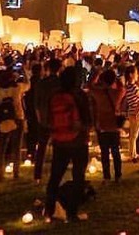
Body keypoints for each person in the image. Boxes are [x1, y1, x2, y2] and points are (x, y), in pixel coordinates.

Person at [45, 66, 91, 223]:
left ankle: (49, 210)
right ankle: (71, 213)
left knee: (55, 177)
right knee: (78, 177)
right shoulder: (80, 96)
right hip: (78, 141)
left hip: (59, 141)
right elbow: (87, 118)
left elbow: (48, 119)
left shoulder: (54, 96)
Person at [88, 68, 125, 181]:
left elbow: (90, 85)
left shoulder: (99, 94)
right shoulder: (117, 93)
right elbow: (122, 87)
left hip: (102, 126)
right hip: (114, 126)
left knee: (104, 153)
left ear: (103, 80)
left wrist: (98, 73)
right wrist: (116, 78)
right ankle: (118, 175)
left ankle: (106, 176)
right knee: (115, 152)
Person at [0, 67, 27, 180]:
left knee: (1, 147)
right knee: (16, 147)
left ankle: (1, 173)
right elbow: (28, 84)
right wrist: (25, 72)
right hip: (17, 118)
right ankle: (16, 172)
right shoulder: (17, 88)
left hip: (3, 119)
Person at [32, 57, 62, 183]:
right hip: (58, 119)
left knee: (41, 148)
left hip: (44, 119)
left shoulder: (41, 83)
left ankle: (37, 176)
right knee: (58, 149)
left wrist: (40, 118)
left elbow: (37, 104)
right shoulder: (60, 83)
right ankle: (55, 176)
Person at [121, 65, 139, 163]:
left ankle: (133, 154)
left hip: (132, 112)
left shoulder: (128, 87)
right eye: (136, 73)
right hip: (135, 113)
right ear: (131, 75)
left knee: (133, 135)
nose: (137, 75)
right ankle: (132, 155)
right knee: (134, 135)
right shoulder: (134, 88)